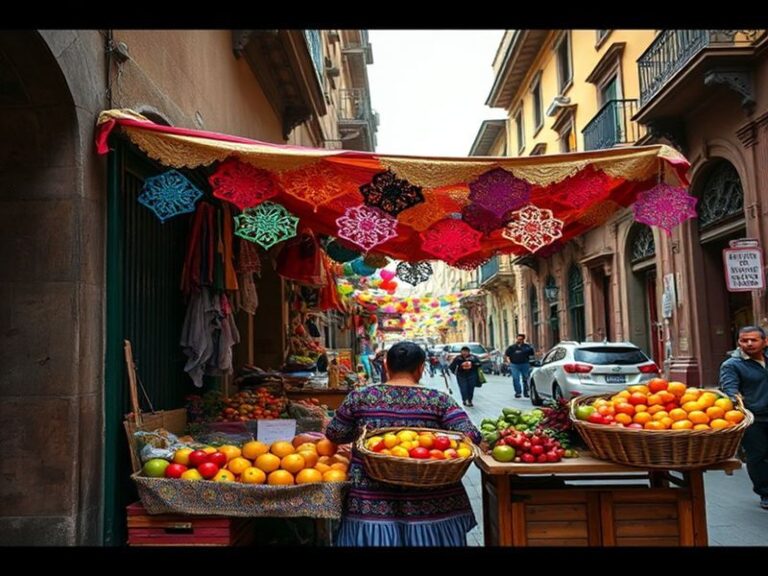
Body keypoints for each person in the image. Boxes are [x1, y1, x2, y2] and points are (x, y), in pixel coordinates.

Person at [325, 341, 481, 546]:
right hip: (431, 501)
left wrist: (362, 434)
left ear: (386, 366)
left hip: (371, 497)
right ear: (421, 368)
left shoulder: (361, 397)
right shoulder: (438, 399)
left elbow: (335, 433)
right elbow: (470, 435)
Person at [719, 325, 768, 510]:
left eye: (754, 340)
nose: (748, 344)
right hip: (753, 418)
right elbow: (730, 389)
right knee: (758, 456)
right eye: (744, 340)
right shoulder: (732, 365)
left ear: (765, 341)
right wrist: (737, 401)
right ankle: (765, 493)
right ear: (738, 342)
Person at [505, 334, 535, 399]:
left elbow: (532, 354)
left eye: (521, 339)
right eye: (518, 339)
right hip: (514, 364)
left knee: (526, 378)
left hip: (525, 364)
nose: (519, 340)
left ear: (523, 339)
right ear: (516, 339)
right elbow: (507, 355)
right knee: (516, 378)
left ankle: (526, 392)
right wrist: (509, 362)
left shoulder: (527, 347)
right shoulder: (512, 347)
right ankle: (518, 392)